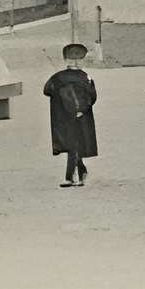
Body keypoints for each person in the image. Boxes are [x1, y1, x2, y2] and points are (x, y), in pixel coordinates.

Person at [45, 41, 100, 187]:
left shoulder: (58, 77)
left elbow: (47, 90)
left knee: (72, 146)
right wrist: (81, 109)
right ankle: (80, 173)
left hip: (63, 117)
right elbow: (92, 96)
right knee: (77, 145)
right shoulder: (86, 77)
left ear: (66, 60)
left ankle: (71, 177)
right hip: (82, 117)